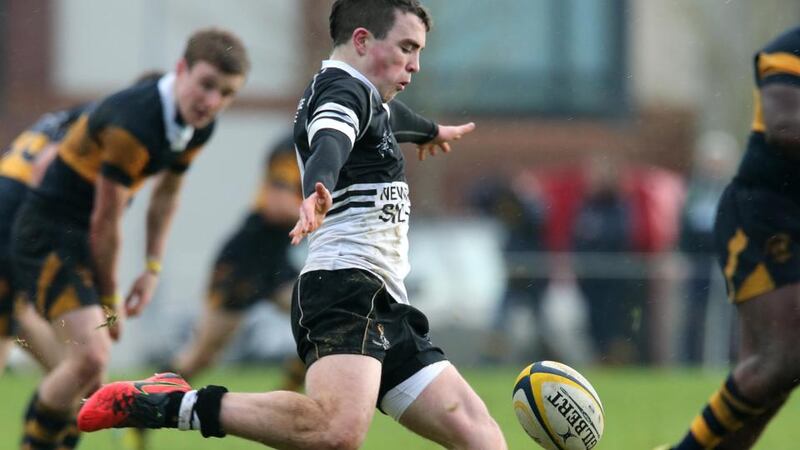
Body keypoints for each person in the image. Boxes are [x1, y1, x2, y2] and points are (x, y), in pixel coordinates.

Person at [77, 1, 508, 449]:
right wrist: (318, 184)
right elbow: (331, 137)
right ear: (362, 40)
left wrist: (431, 130)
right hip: (346, 288)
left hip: (386, 302)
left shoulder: (363, 95)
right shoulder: (342, 93)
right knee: (335, 432)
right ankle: (171, 405)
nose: (415, 65)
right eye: (406, 48)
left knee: (480, 438)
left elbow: (387, 119)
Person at [11, 28, 248, 450]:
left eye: (226, 93)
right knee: (89, 359)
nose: (212, 102)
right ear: (181, 70)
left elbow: (166, 194)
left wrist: (153, 268)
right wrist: (109, 297)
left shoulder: (197, 127)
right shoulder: (135, 122)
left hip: (79, 239)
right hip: (47, 236)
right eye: (206, 85)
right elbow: (106, 220)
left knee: (89, 374)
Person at [664, 25, 800, 450]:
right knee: (779, 360)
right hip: (763, 216)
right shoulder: (788, 50)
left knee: (775, 378)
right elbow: (784, 127)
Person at [169, 133, 305, 387]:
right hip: (245, 259)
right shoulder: (291, 148)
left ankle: (282, 404)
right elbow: (277, 207)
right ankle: (136, 409)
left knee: (318, 319)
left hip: (277, 260)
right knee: (202, 355)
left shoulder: (336, 147)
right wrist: (330, 216)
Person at [676, 131, 738, 365]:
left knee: (729, 315)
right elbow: (684, 226)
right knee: (695, 313)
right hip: (698, 263)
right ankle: (690, 359)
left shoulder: (735, 190)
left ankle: (730, 359)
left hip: (726, 261)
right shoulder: (692, 190)